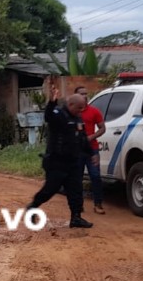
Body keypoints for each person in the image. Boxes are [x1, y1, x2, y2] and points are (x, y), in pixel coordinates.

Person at [26, 94, 94, 229]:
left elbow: (83, 138)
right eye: (79, 108)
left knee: (76, 191)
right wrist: (51, 102)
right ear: (71, 105)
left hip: (73, 162)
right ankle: (32, 208)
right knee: (49, 190)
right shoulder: (58, 114)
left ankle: (76, 218)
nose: (81, 111)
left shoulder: (78, 119)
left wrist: (91, 154)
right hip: (57, 162)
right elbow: (48, 116)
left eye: (83, 108)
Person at [75, 86, 107, 215]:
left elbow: (102, 128)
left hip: (92, 150)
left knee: (95, 176)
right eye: (81, 94)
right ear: (76, 97)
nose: (85, 96)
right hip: (77, 150)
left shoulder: (94, 111)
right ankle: (78, 205)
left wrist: (91, 137)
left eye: (86, 93)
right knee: (76, 178)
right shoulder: (72, 113)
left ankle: (98, 204)